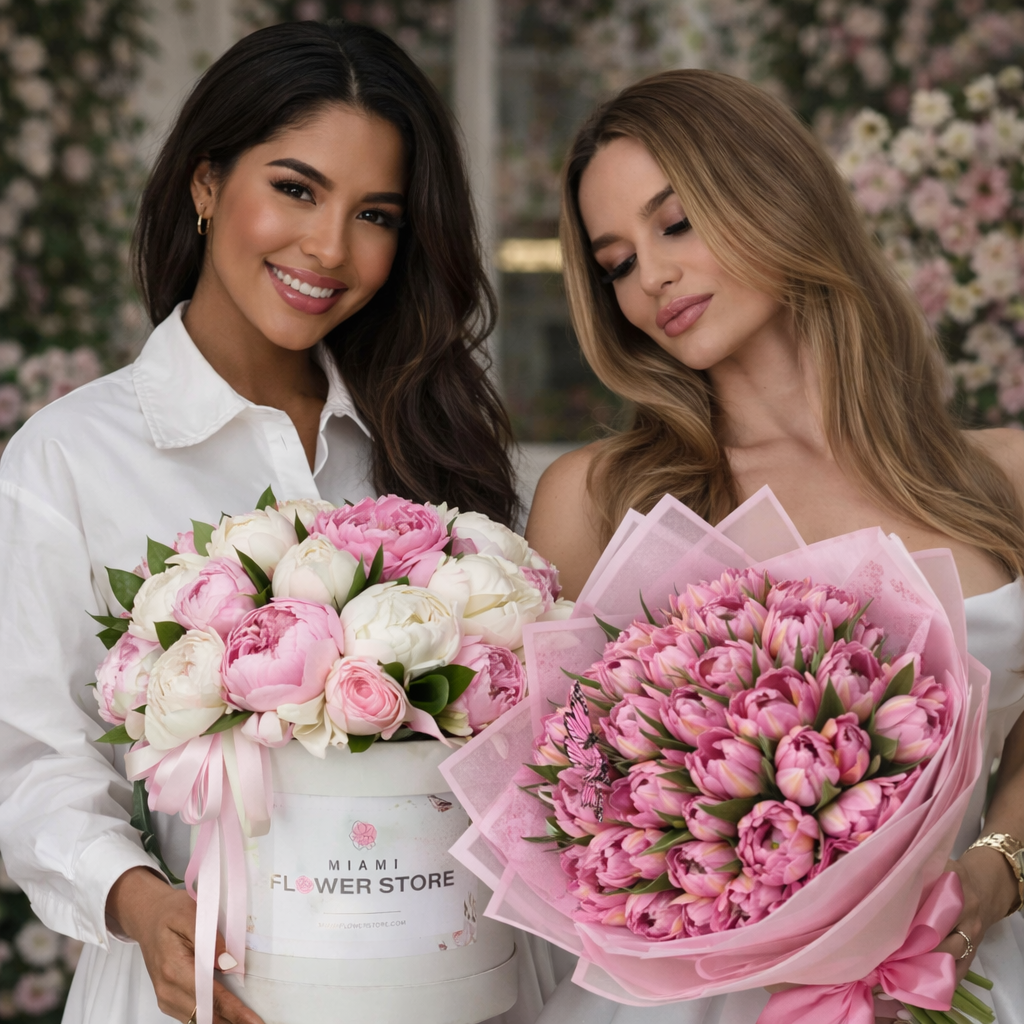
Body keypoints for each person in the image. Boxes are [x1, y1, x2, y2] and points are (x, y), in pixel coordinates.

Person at [0, 20, 551, 1024]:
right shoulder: (69, 457)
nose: (329, 248)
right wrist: (136, 901)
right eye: (295, 189)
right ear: (207, 184)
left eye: (375, 212)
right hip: (202, 984)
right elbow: (32, 762)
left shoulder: (427, 437)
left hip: (444, 977)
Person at [527, 69, 1024, 1023]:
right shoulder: (602, 500)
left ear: (773, 193)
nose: (652, 278)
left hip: (956, 978)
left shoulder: (1000, 477)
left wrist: (987, 879)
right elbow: (562, 818)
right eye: (617, 261)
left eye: (675, 224)